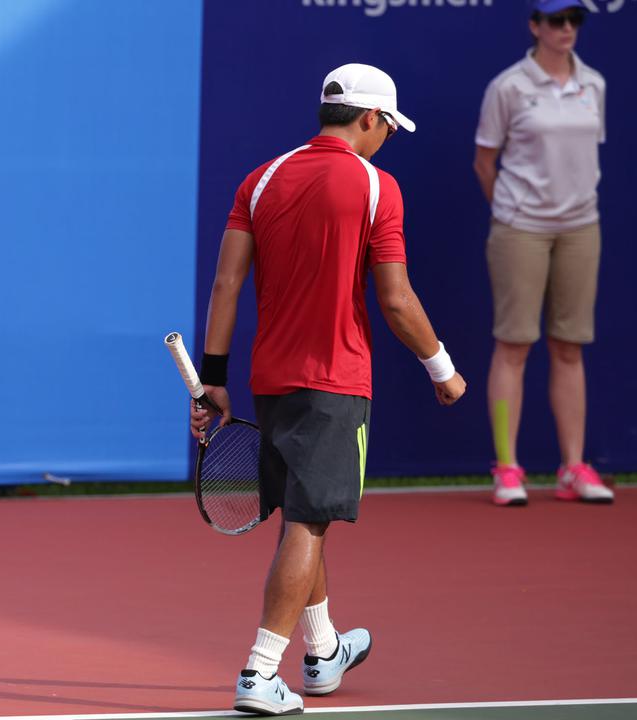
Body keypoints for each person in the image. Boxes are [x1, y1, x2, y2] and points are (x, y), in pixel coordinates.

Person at [189, 64, 467, 715]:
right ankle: (260, 673)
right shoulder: (377, 186)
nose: (387, 138)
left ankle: (323, 652)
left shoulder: (259, 180)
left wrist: (214, 380)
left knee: (301, 519)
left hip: (268, 379)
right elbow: (396, 301)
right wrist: (441, 367)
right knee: (310, 523)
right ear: (370, 119)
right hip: (336, 381)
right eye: (388, 127)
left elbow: (227, 285)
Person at [474, 0, 612, 507]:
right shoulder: (509, 87)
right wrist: (514, 213)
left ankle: (573, 467)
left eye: (575, 20)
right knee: (514, 345)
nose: (567, 29)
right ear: (536, 27)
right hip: (520, 229)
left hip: (581, 227)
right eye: (557, 20)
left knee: (570, 346)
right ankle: (507, 468)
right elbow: (484, 161)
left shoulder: (593, 83)